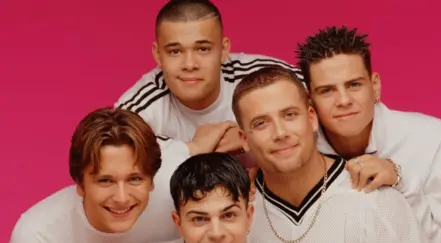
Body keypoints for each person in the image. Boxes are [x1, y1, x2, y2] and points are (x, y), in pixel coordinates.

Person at [295, 26, 441, 243]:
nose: (344, 100)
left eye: (354, 85)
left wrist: (400, 181)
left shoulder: (432, 139)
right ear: (309, 100)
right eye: (327, 91)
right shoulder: (299, 153)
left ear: (375, 86)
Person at [232, 65, 441, 243]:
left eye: (290, 115)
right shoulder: (235, 219)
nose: (280, 133)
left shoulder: (373, 201)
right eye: (261, 123)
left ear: (312, 118)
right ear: (244, 139)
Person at [114, 0, 303, 165]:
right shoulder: (141, 109)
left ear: (223, 49)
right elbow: (110, 164)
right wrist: (192, 149)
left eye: (203, 49)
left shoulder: (262, 77)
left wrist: (251, 134)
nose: (189, 65)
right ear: (158, 54)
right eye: (175, 51)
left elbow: (325, 103)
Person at [7, 108, 188, 243]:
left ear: (152, 181)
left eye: (134, 179)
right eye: (105, 181)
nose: (122, 198)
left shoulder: (179, 195)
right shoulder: (38, 239)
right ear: (80, 185)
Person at [134, 152, 284, 243]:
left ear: (249, 216)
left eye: (229, 215)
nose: (216, 233)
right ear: (178, 223)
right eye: (199, 219)